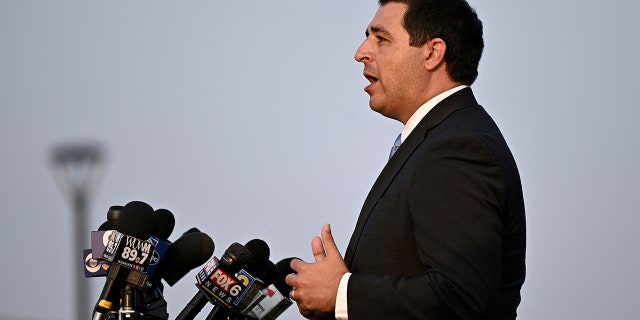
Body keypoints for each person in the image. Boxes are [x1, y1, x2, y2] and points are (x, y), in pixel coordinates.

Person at [285, 0, 526, 319]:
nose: (361, 52)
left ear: (432, 53)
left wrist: (342, 293)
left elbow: (461, 299)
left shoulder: (457, 147)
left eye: (381, 39)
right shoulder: (436, 140)